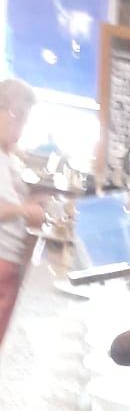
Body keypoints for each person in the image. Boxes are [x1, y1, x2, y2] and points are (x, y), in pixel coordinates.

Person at [0, 80, 42, 354]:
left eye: (25, 120)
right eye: (18, 116)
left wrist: (29, 204)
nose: (21, 127)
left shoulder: (6, 155)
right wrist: (25, 210)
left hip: (8, 262)